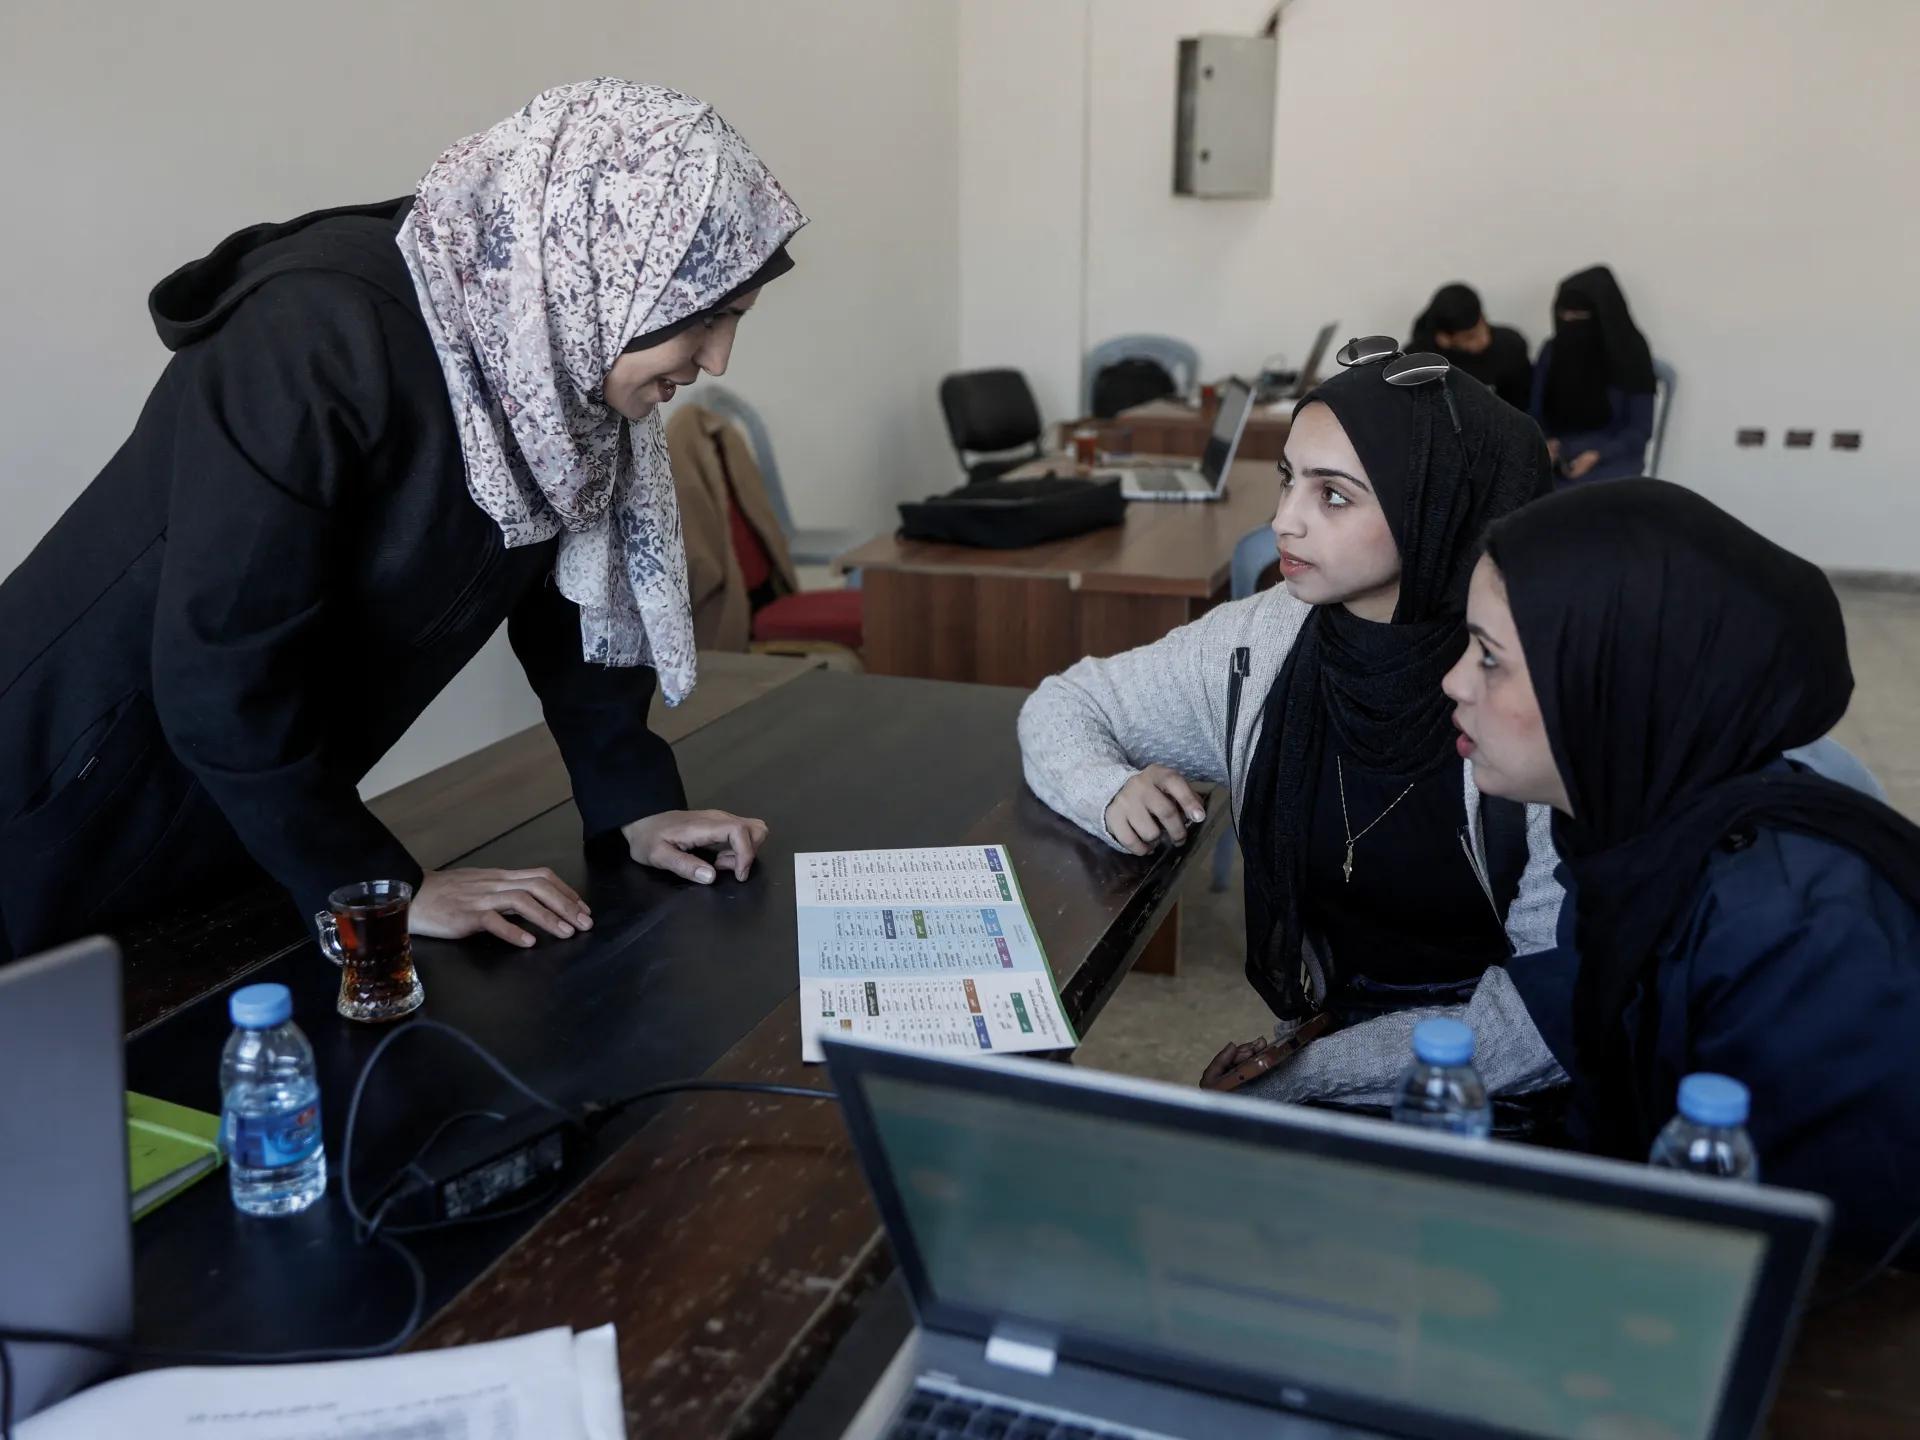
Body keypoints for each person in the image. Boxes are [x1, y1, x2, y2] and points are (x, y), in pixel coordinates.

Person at [0, 80, 806, 964]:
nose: (717, 358)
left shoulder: (553, 346)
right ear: (603, 258)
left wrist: (634, 801)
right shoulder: (316, 333)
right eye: (702, 318)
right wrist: (377, 883)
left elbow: (570, 584)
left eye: (735, 317)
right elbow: (216, 663)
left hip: (247, 821)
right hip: (52, 804)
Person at [1259, 479, 1920, 1255]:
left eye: (1490, 659)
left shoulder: (1803, 934)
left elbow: (1821, 1279)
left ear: (1615, 684)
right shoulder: (1624, 833)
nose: (1453, 683)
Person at [1019, 338, 1564, 1067]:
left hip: (1498, 1091)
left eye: (1332, 495)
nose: (1285, 522)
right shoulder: (1269, 636)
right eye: (1288, 481)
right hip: (1326, 1042)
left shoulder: (1535, 682)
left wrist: (1304, 1079)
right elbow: (1066, 703)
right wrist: (1107, 790)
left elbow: (1549, 1013)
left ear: (1433, 508)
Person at [1530, 265, 1657, 484]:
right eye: (1563, 315)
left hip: (1614, 455)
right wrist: (1544, 443)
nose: (1569, 323)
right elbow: (1534, 412)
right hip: (1559, 450)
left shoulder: (1630, 354)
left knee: (1584, 505)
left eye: (1579, 316)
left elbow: (1640, 428)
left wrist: (1598, 455)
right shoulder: (1553, 351)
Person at [1408, 283, 1532, 412]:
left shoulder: (1510, 347)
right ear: (1443, 339)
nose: (1483, 339)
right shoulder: (1418, 365)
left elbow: (1521, 408)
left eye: (1482, 324)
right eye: (1469, 337)